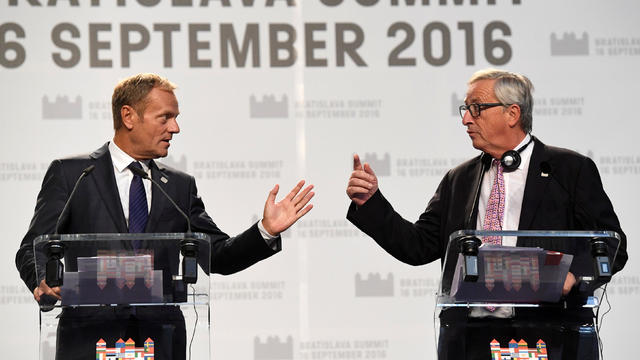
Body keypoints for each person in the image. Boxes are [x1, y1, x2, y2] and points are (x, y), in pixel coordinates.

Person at [15, 73, 314, 359]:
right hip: (88, 339)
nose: (175, 128)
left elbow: (218, 255)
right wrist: (41, 279)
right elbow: (32, 248)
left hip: (159, 342)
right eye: (165, 117)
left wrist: (265, 230)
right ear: (129, 116)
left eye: (176, 118)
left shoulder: (180, 187)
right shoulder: (73, 175)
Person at [346, 69, 627, 360]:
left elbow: (611, 246)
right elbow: (417, 246)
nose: (466, 118)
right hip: (472, 339)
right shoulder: (460, 179)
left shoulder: (568, 170)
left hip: (550, 336)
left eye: (476, 108)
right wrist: (371, 203)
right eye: (465, 109)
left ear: (512, 113)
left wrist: (574, 276)